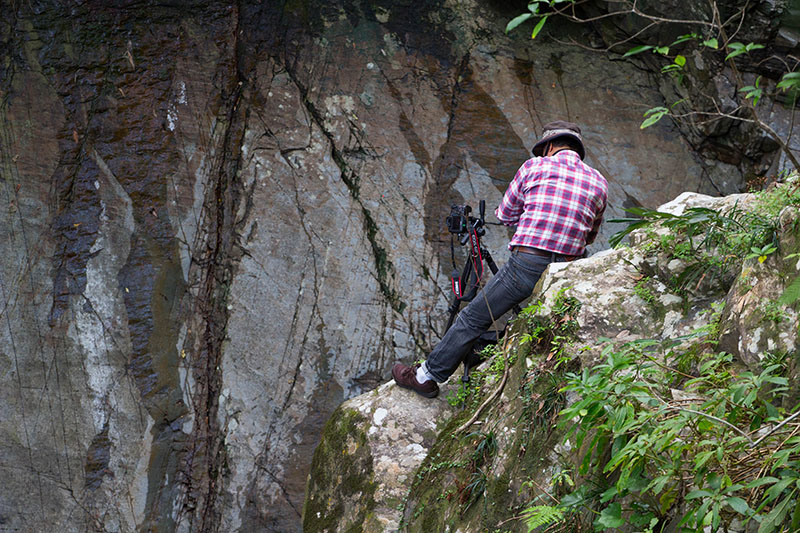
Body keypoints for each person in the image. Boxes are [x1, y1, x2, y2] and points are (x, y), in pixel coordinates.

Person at [392, 121, 608, 398]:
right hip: (567, 272)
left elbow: (505, 215)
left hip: (527, 265)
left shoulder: (534, 167)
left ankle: (425, 376)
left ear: (550, 146)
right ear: (577, 148)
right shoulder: (599, 181)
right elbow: (590, 235)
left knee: (472, 317)